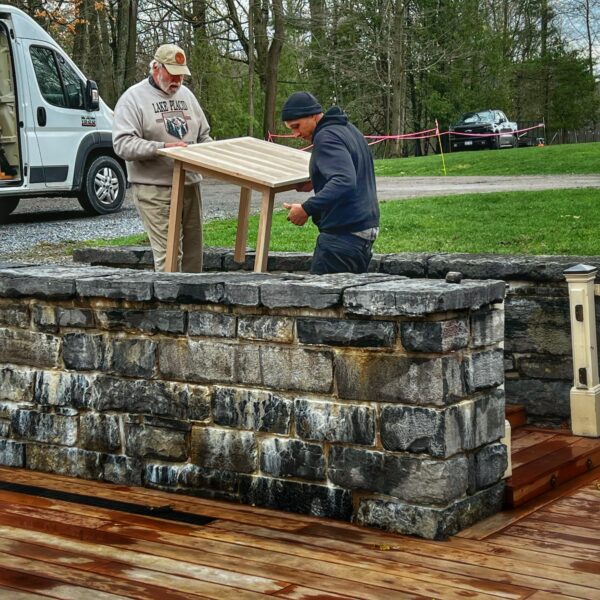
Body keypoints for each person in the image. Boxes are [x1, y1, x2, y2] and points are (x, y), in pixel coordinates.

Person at [113, 43, 212, 272]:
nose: (177, 81)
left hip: (189, 184)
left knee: (193, 254)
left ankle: (193, 304)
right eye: (172, 74)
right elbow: (122, 144)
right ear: (156, 68)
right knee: (169, 257)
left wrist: (217, 155)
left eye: (181, 75)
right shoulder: (133, 99)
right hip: (155, 189)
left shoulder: (186, 95)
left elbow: (204, 135)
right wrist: (162, 147)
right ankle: (170, 305)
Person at [281, 91, 380, 275]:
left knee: (319, 301)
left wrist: (306, 209)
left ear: (313, 115)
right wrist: (315, 180)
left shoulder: (325, 137)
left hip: (342, 238)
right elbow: (353, 170)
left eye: (297, 126)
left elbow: (344, 181)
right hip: (362, 231)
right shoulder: (348, 129)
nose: (295, 134)